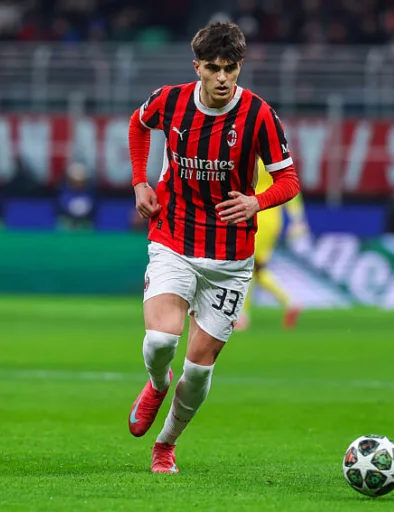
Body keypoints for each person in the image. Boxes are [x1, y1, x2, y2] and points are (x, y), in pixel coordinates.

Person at [126, 21, 300, 474]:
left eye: (231, 68)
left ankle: (165, 445)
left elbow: (288, 180)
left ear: (240, 67)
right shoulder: (170, 101)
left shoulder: (259, 115)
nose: (222, 78)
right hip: (174, 238)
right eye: (213, 68)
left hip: (229, 258)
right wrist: (140, 181)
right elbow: (138, 124)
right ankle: (157, 384)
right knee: (160, 341)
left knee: (199, 370)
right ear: (197, 67)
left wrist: (257, 201)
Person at [234, 158, 308, 331]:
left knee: (248, 264)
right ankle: (290, 302)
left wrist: (298, 220)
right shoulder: (275, 157)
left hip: (257, 215)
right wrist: (297, 219)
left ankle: (242, 314)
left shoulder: (251, 157)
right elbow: (290, 185)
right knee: (257, 268)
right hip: (272, 218)